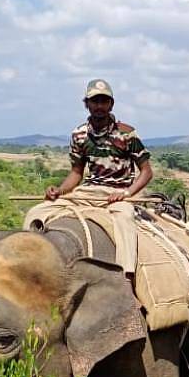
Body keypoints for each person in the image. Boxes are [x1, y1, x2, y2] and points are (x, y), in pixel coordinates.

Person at [44, 78, 153, 276]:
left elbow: (146, 171)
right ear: (86, 104)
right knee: (40, 211)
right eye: (95, 101)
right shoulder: (79, 134)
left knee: (125, 220)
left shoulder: (126, 133)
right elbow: (76, 172)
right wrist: (59, 191)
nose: (99, 106)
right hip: (87, 192)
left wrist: (126, 193)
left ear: (111, 104)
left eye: (104, 101)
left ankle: (126, 276)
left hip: (117, 194)